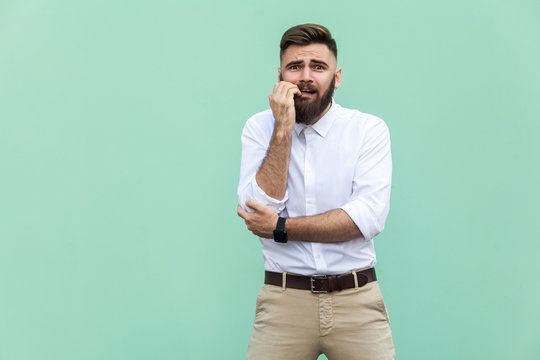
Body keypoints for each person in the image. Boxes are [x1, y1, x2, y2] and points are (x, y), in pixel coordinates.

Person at [237, 24, 396, 360]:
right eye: (295, 67)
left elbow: (365, 218)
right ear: (279, 76)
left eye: (318, 67)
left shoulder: (367, 130)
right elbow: (257, 210)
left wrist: (281, 227)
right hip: (284, 301)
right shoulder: (258, 127)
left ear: (336, 78)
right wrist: (282, 128)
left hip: (357, 300)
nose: (305, 77)